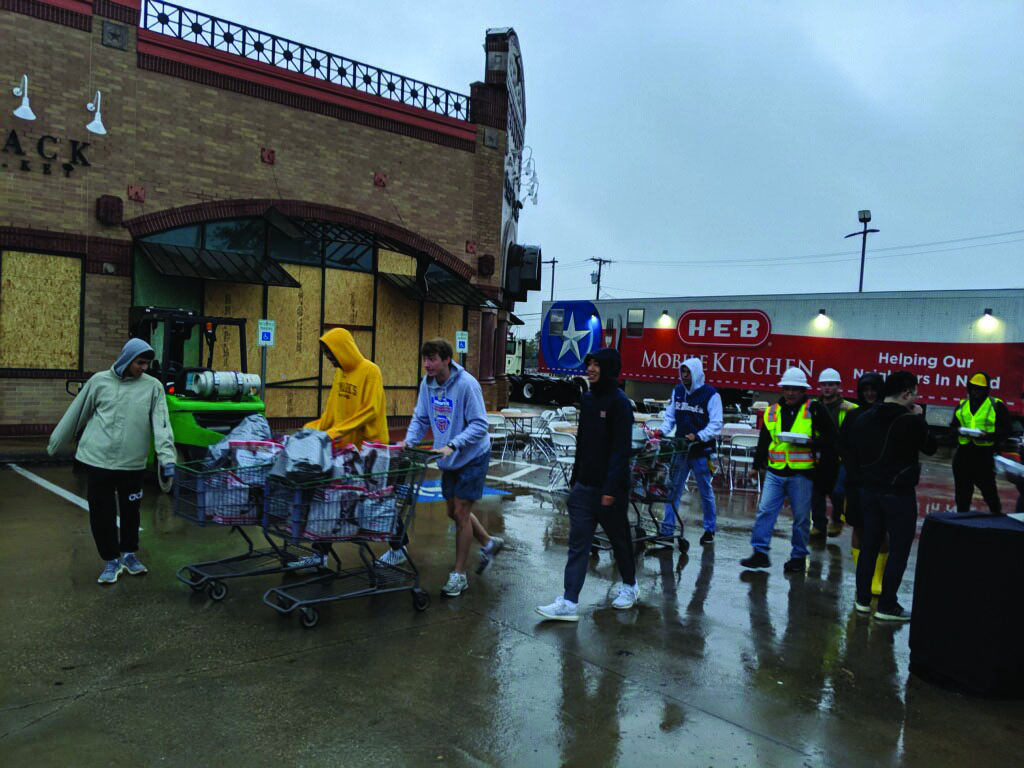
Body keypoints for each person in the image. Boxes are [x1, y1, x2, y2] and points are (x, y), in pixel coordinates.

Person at [47, 338, 176, 584]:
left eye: (147, 364)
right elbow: (76, 413)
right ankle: (110, 561)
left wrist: (167, 459)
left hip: (132, 463)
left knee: (131, 513)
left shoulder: (153, 387)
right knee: (102, 513)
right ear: (127, 358)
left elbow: (161, 424)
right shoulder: (99, 382)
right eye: (140, 362)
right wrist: (55, 444)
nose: (143, 368)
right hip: (99, 460)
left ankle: (129, 555)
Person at [537, 348, 638, 621]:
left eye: (596, 365)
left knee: (619, 542)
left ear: (609, 369)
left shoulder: (620, 403)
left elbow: (620, 451)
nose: (590, 369)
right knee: (577, 545)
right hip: (583, 488)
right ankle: (569, 602)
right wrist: (574, 480)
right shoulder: (589, 399)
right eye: (589, 364)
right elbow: (583, 443)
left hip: (610, 490)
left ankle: (630, 586)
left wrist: (610, 489)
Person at [398, 338, 503, 597]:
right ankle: (489, 543)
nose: (427, 364)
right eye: (425, 359)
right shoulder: (428, 384)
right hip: (449, 456)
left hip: (472, 455)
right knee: (453, 512)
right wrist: (409, 440)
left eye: (432, 359)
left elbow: (480, 425)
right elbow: (421, 417)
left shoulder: (467, 385)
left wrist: (454, 445)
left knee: (460, 512)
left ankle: (459, 574)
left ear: (446, 359)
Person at [300, 328, 400, 567]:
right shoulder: (340, 374)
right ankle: (320, 555)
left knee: (374, 501)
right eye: (327, 355)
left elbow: (371, 410)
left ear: (344, 349)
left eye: (332, 353)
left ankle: (399, 546)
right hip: (345, 449)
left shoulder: (370, 371)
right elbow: (332, 410)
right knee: (332, 499)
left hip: (370, 451)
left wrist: (333, 433)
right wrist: (314, 430)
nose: (330, 359)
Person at [850, 370, 937, 621]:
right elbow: (931, 447)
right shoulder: (909, 420)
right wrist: (921, 418)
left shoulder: (864, 418)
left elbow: (854, 452)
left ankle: (863, 600)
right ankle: (888, 605)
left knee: (869, 545)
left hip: (868, 491)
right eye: (915, 393)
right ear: (907, 394)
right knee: (899, 550)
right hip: (898, 494)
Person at [740, 367, 836, 574]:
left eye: (795, 389)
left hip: (802, 473)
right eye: (787, 388)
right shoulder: (772, 411)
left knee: (802, 517)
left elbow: (831, 437)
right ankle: (760, 553)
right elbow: (764, 440)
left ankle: (799, 556)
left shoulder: (816, 409)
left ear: (804, 391)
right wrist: (755, 467)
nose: (791, 393)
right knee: (765, 511)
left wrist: (813, 443)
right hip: (775, 472)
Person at [656, 358, 723, 545]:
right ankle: (667, 530)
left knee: (705, 492)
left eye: (688, 372)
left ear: (696, 373)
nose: (684, 376)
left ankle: (709, 529)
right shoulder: (678, 392)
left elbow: (716, 424)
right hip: (681, 450)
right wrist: (663, 430)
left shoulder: (711, 395)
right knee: (673, 490)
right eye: (682, 372)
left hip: (702, 452)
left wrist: (699, 436)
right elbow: (670, 416)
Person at [837, 372, 888, 595]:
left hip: (882, 482)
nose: (869, 393)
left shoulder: (888, 416)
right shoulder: (853, 416)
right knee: (858, 526)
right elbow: (843, 447)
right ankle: (862, 575)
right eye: (865, 389)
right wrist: (854, 472)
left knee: (881, 529)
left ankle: (878, 577)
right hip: (856, 482)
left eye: (873, 389)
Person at [950, 371, 1012, 514]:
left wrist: (988, 436)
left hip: (984, 456)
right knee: (962, 495)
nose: (976, 392)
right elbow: (952, 428)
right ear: (969, 389)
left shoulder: (996, 406)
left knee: (989, 492)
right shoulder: (961, 406)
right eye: (974, 388)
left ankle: (997, 519)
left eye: (980, 389)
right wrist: (958, 430)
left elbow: (1007, 430)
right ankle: (961, 522)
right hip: (963, 455)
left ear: (986, 390)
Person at [810, 368, 857, 538]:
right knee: (816, 493)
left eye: (831, 385)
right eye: (824, 385)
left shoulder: (850, 408)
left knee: (837, 491)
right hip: (819, 457)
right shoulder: (813, 406)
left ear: (838, 387)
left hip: (839, 458)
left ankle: (837, 519)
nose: (827, 388)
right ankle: (819, 525)